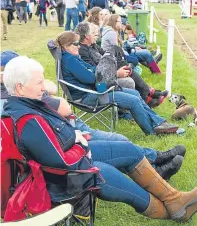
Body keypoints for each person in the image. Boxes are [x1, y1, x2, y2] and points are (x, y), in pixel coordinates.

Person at [3, 56, 197, 223]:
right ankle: (173, 211)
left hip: (72, 160)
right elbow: (62, 162)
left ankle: (174, 199)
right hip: (65, 179)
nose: (44, 87)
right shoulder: (28, 121)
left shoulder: (27, 104)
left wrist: (77, 140)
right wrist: (80, 144)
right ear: (20, 87)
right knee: (108, 175)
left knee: (127, 149)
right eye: (39, 82)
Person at [0, 50, 186, 181]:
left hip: (73, 124)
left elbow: (55, 87)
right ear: (16, 80)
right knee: (121, 134)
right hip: (87, 102)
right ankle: (156, 159)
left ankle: (156, 157)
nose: (77, 46)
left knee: (133, 95)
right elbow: (70, 101)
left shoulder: (30, 92)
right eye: (74, 44)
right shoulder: (18, 100)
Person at [57, 31, 179, 135]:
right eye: (76, 44)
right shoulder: (69, 60)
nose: (79, 46)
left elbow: (94, 70)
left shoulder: (72, 57)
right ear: (66, 46)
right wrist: (95, 72)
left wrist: (95, 72)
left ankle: (159, 122)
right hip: (87, 97)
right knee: (133, 101)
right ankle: (152, 131)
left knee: (135, 93)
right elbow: (90, 78)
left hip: (97, 91)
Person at [75, 22, 168, 108]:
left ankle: (149, 91)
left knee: (133, 62)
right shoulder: (84, 50)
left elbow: (108, 53)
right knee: (138, 59)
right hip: (104, 80)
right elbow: (95, 70)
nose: (97, 36)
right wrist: (115, 72)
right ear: (87, 36)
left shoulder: (93, 45)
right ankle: (148, 93)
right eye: (94, 34)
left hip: (111, 68)